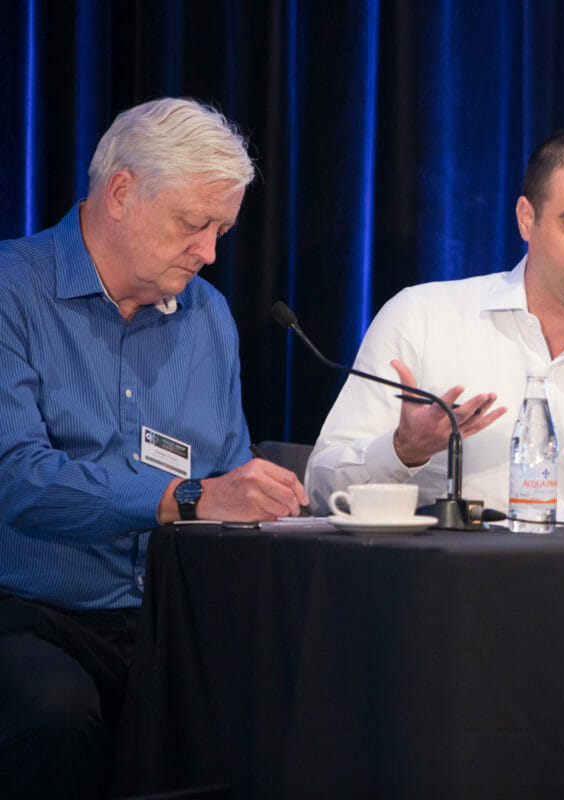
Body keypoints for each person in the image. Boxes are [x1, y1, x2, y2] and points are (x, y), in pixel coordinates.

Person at [0, 97, 308, 799]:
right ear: (121, 193)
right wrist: (185, 497)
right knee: (56, 712)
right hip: (27, 608)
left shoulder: (209, 316)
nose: (210, 252)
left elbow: (226, 471)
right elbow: (16, 477)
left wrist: (260, 498)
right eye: (194, 224)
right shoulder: (11, 291)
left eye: (221, 230)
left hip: (169, 618)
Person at [307, 128, 564, 518]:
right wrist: (403, 450)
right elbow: (321, 488)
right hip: (434, 558)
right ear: (527, 219)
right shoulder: (422, 318)